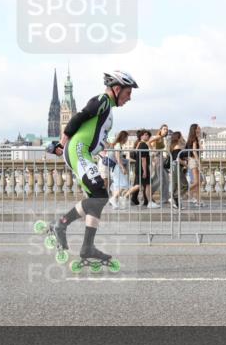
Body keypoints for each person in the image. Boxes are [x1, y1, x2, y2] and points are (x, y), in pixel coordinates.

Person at [50, 71, 138, 265]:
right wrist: (61, 144)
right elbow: (77, 118)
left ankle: (86, 246)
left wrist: (103, 150)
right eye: (128, 93)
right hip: (78, 150)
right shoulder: (102, 101)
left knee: (97, 200)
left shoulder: (108, 108)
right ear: (117, 89)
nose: (129, 98)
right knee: (100, 195)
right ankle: (61, 225)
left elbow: (95, 134)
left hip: (85, 153)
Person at [109, 130, 131, 209]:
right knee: (124, 184)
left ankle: (115, 203)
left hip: (115, 167)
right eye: (127, 138)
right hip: (117, 167)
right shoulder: (118, 145)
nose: (127, 139)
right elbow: (118, 157)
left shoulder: (117, 145)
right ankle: (113, 198)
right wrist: (123, 168)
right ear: (123, 137)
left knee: (117, 185)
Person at [132, 129, 153, 207]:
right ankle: (124, 195)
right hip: (142, 167)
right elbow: (143, 159)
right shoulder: (143, 145)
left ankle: (149, 202)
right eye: (145, 135)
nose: (147, 136)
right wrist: (145, 171)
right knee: (142, 185)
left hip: (139, 167)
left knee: (145, 185)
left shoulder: (140, 144)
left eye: (148, 135)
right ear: (141, 136)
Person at [185, 123, 202, 203]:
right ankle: (184, 192)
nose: (200, 129)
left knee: (198, 182)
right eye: (198, 128)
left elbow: (200, 149)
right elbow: (195, 151)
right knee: (196, 182)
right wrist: (198, 162)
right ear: (194, 129)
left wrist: (199, 138)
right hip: (193, 160)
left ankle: (198, 200)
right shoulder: (194, 139)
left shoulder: (192, 139)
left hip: (192, 160)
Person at [169, 130, 186, 209]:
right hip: (177, 166)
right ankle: (175, 196)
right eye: (181, 136)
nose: (182, 137)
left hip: (173, 166)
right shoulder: (177, 147)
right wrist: (186, 164)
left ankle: (177, 204)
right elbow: (178, 159)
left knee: (175, 185)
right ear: (178, 137)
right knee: (185, 185)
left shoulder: (172, 146)